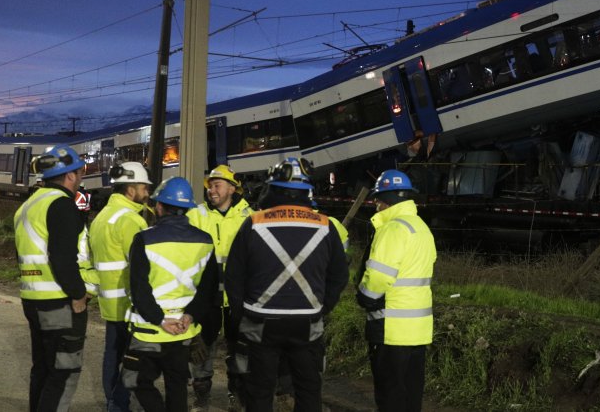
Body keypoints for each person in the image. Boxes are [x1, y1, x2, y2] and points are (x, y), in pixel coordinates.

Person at [224, 157, 349, 412]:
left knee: (259, 390)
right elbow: (338, 275)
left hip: (260, 322)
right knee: (308, 388)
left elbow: (234, 277)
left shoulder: (254, 223)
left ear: (273, 188)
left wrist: (241, 315)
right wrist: (321, 308)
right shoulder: (325, 225)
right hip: (307, 322)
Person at [123, 177, 219, 412]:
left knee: (136, 381)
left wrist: (160, 319)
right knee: (177, 386)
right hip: (184, 332)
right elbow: (208, 290)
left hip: (150, 331)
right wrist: (190, 316)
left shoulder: (144, 239)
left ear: (159, 206)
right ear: (187, 208)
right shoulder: (205, 241)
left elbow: (139, 289)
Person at [14, 144, 92, 412]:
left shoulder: (28, 206)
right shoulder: (61, 205)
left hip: (32, 298)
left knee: (44, 370)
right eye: (79, 172)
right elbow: (62, 258)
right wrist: (78, 293)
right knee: (63, 373)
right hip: (58, 302)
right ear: (70, 175)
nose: (80, 178)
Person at [356, 169, 437, 412]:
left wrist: (365, 296)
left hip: (390, 327)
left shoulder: (392, 228)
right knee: (411, 394)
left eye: (377, 200)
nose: (375, 205)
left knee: (390, 395)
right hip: (418, 329)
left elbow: (379, 276)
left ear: (386, 200)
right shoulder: (420, 227)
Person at [186, 164, 254, 411]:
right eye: (210, 187)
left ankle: (237, 395)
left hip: (239, 296)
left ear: (232, 188)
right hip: (207, 295)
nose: (211, 191)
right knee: (203, 347)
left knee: (239, 347)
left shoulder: (250, 216)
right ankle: (201, 397)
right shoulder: (196, 215)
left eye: (216, 186)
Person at [90, 161, 152, 412]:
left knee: (112, 355)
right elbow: (143, 266)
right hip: (129, 303)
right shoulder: (131, 221)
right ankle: (119, 403)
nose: (147, 192)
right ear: (130, 190)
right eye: (143, 187)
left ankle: (112, 401)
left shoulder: (101, 217)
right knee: (134, 358)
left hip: (109, 300)